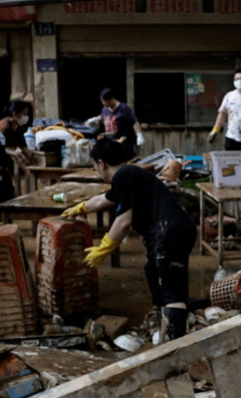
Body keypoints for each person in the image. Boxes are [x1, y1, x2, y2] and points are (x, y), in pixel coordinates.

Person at [61, 137, 196, 341]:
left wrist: (103, 249)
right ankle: (165, 333)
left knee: (171, 291)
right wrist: (81, 208)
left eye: (95, 166)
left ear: (101, 164)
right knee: (154, 276)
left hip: (170, 232)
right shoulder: (128, 176)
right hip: (170, 232)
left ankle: (173, 349)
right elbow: (103, 199)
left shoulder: (124, 176)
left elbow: (123, 221)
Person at [97, 88, 144, 159]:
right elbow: (103, 116)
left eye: (105, 101)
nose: (104, 103)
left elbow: (134, 121)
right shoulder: (105, 108)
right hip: (111, 145)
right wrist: (95, 119)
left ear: (111, 99)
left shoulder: (124, 108)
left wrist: (139, 135)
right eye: (102, 101)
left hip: (125, 146)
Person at [0, 100, 33, 172]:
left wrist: (34, 161)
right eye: (24, 114)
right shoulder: (5, 127)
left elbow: (24, 148)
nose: (26, 117)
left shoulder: (18, 127)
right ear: (15, 114)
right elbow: (2, 148)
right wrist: (25, 169)